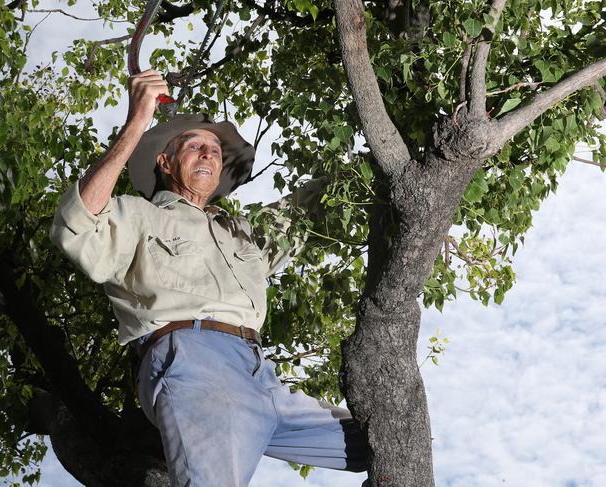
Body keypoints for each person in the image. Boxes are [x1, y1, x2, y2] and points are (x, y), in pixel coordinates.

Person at [50, 70, 368, 486]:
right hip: (192, 364)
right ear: (164, 161)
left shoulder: (242, 231)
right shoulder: (139, 215)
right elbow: (76, 227)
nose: (208, 155)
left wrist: (390, 146)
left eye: (215, 150)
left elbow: (315, 202)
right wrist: (137, 122)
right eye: (194, 146)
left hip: (262, 378)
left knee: (376, 442)